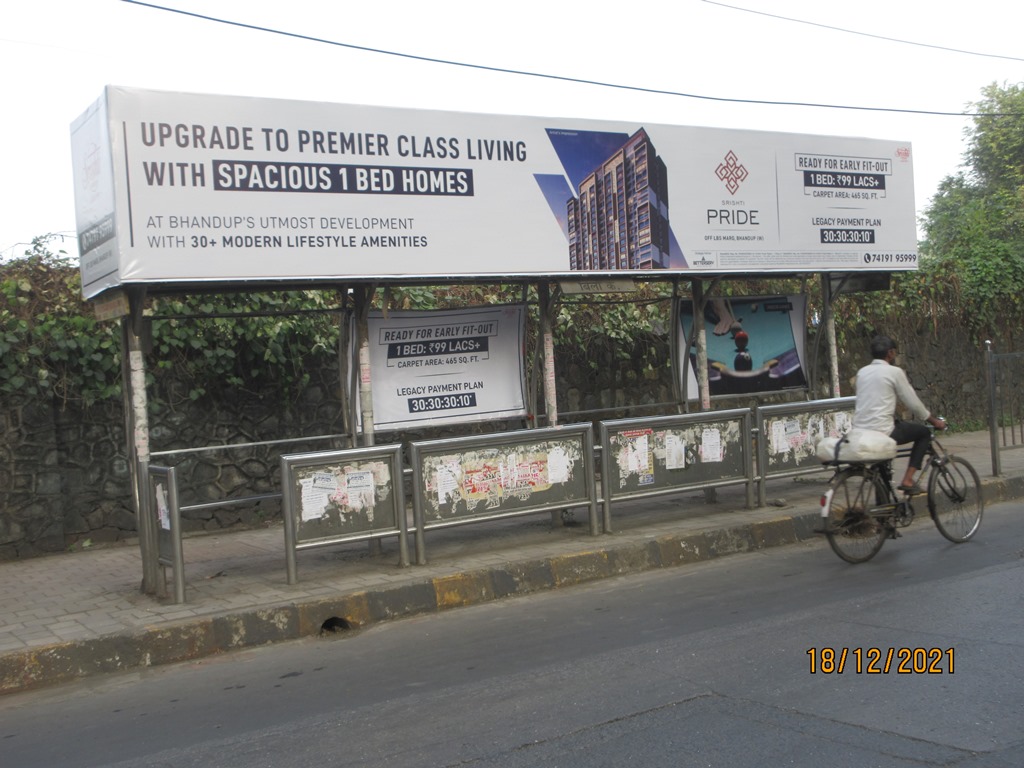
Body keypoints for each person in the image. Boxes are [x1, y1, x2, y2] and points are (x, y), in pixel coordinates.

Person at [852, 335, 946, 494]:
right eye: (894, 352)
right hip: (883, 431)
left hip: (860, 431)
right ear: (890, 353)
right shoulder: (894, 372)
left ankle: (884, 506)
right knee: (923, 433)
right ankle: (908, 480)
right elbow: (913, 402)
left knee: (881, 469)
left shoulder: (862, 372)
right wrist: (933, 420)